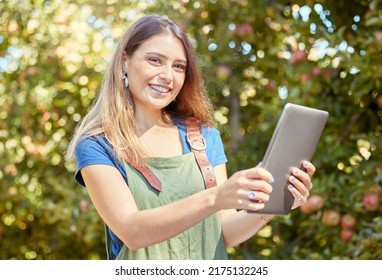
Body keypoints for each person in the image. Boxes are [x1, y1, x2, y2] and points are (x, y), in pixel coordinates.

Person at [66, 14, 315, 260]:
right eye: (155, 60)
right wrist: (216, 197)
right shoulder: (97, 145)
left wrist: (270, 207)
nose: (167, 75)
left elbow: (223, 233)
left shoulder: (204, 136)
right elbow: (132, 231)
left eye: (178, 66)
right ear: (124, 62)